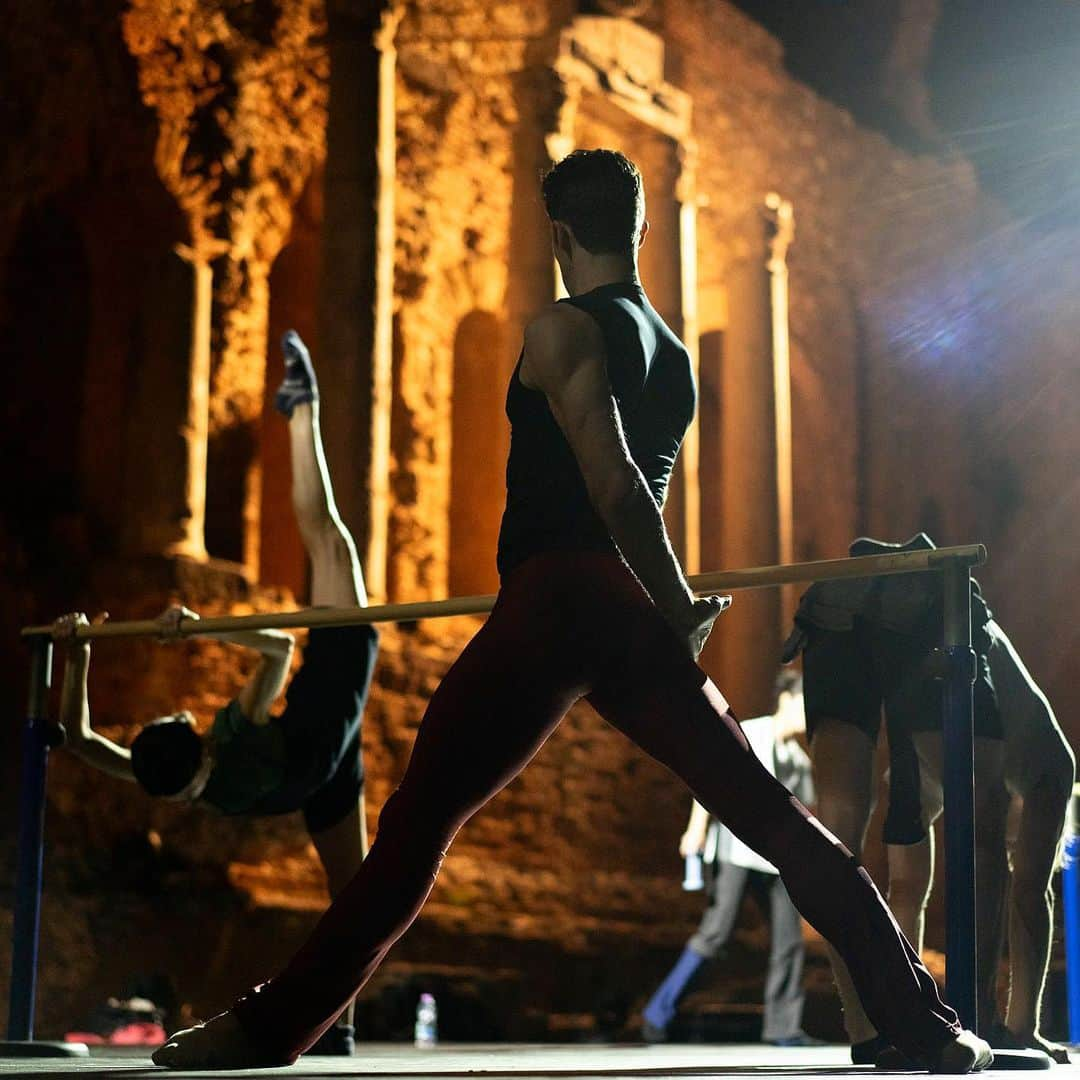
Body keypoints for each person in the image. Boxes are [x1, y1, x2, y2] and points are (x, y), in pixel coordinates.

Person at [153, 149, 987, 1072]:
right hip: (625, 613)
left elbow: (618, 486)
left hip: (558, 602)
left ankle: (267, 1030)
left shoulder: (561, 329)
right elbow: (641, 487)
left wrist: (679, 604)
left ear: (557, 235)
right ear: (635, 228)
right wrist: (665, 608)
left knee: (418, 824)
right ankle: (926, 1028)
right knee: (776, 822)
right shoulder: (672, 353)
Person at [53, 331, 377, 1056]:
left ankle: (341, 1024)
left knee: (354, 894)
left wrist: (72, 651)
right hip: (328, 695)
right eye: (177, 716)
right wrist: (200, 632)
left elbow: (75, 741)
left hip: (319, 768)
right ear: (196, 733)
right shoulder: (232, 732)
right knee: (329, 538)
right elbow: (281, 646)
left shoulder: (182, 785)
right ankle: (304, 411)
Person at [883, 615, 1074, 1062]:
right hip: (947, 681)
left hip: (940, 680)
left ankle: (1011, 1023)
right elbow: (1025, 890)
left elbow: (1028, 890)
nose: (1014, 850)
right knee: (976, 871)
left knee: (1011, 880)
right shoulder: (1043, 767)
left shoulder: (1044, 771)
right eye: (1017, 843)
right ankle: (961, 1019)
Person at [641, 670, 817, 1046]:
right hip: (737, 850)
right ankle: (658, 1011)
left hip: (776, 861)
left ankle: (783, 1028)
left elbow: (804, 818)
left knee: (789, 941)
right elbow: (710, 779)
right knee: (715, 933)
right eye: (805, 703)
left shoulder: (799, 761)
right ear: (786, 699)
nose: (809, 713)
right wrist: (696, 829)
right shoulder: (751, 732)